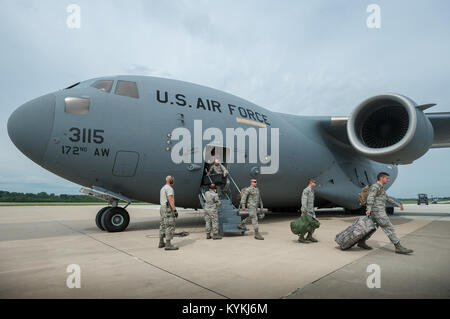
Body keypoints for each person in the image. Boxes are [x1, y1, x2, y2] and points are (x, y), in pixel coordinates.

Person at [361, 172, 413, 254]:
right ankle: (398, 247)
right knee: (389, 227)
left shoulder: (381, 187)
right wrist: (368, 209)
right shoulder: (375, 186)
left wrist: (397, 204)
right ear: (381, 178)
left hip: (377, 211)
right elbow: (370, 197)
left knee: (372, 228)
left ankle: (361, 242)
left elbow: (387, 198)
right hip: (378, 211)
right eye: (387, 178)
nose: (388, 180)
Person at [159, 175, 178, 250]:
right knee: (169, 225)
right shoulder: (169, 188)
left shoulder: (163, 188)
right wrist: (175, 210)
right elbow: (170, 199)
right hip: (168, 208)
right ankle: (168, 244)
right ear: (170, 181)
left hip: (162, 208)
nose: (173, 181)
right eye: (172, 180)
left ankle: (161, 242)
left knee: (162, 224)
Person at [300, 178, 318, 243]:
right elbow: (304, 200)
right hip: (306, 211)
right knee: (305, 224)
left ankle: (309, 236)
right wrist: (303, 208)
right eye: (314, 182)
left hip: (311, 211)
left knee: (314, 224)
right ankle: (301, 237)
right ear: (311, 182)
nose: (315, 183)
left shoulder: (312, 190)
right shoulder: (306, 190)